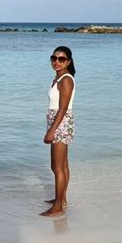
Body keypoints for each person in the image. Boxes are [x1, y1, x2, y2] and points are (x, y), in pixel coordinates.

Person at [41, 46, 76, 218]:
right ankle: (61, 200)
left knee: (56, 167)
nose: (56, 62)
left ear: (68, 61)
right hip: (58, 122)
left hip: (60, 124)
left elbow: (62, 109)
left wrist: (51, 132)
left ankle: (58, 207)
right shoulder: (58, 78)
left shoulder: (66, 80)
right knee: (62, 165)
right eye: (54, 58)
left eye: (61, 59)